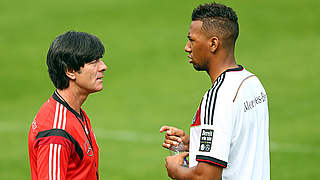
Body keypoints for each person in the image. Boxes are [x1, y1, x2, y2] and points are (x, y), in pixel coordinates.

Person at [160, 2, 270, 180]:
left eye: (192, 40)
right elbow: (238, 145)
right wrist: (194, 144)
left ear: (213, 44)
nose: (187, 47)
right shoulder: (252, 84)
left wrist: (175, 171)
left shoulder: (218, 97)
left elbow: (206, 176)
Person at [28, 31, 107, 180]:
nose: (103, 67)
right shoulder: (56, 132)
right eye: (93, 62)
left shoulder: (74, 112)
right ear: (70, 71)